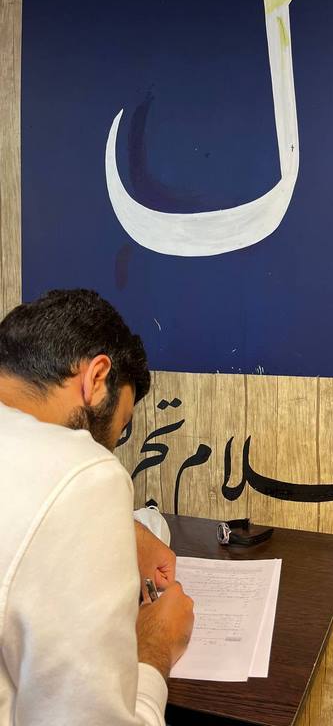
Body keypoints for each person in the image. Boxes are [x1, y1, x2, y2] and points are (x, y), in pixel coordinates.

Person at [0, 289, 194, 725]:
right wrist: (156, 649)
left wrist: (124, 529)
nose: (108, 450)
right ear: (96, 377)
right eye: (118, 430)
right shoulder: (84, 471)